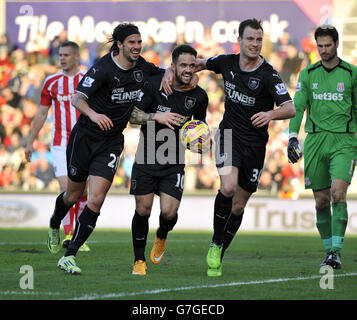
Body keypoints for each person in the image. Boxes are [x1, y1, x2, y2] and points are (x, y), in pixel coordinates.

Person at [162, 18, 296, 277]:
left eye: (259, 40)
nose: (255, 44)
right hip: (228, 135)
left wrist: (270, 114)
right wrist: (170, 70)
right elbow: (194, 65)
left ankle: (219, 251)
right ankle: (215, 241)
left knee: (238, 206)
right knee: (228, 187)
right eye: (250, 39)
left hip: (255, 146)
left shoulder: (268, 75)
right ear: (240, 41)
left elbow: (290, 107)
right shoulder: (227, 62)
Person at [47, 23, 185, 274]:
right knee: (72, 195)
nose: (136, 47)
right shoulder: (103, 68)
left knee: (96, 199)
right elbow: (78, 97)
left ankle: (70, 255)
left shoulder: (142, 66)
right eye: (131, 42)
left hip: (111, 142)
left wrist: (169, 73)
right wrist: (93, 114)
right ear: (120, 44)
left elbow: (167, 73)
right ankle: (55, 222)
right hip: (86, 137)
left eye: (139, 42)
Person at [129, 45, 208, 275]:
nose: (188, 70)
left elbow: (199, 127)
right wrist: (157, 116)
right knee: (143, 210)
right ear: (172, 67)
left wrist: (201, 141)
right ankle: (138, 260)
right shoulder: (155, 85)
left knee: (169, 213)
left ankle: (162, 235)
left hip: (174, 162)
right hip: (146, 157)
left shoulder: (200, 96)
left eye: (192, 65)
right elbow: (132, 115)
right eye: (183, 65)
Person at [287, 24, 357, 269]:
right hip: (315, 141)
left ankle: (336, 251)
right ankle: (329, 252)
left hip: (344, 141)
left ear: (337, 44)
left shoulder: (351, 73)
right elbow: (298, 107)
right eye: (320, 46)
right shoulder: (308, 74)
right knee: (320, 201)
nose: (324, 50)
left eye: (328, 45)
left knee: (338, 193)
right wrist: (293, 136)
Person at [25, 41, 90, 252]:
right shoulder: (51, 82)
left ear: (76, 57)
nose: (61, 58)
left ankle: (77, 234)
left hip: (84, 142)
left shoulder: (88, 80)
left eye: (66, 55)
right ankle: (67, 232)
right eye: (60, 55)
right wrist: (30, 142)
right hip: (61, 142)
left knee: (82, 191)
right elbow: (42, 113)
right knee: (67, 187)